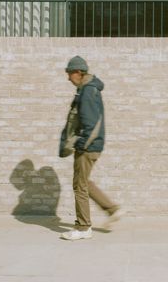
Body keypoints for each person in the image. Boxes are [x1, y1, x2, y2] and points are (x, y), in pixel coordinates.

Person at [61, 55, 121, 240]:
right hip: (93, 145)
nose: (68, 78)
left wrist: (82, 144)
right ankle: (111, 209)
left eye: (69, 73)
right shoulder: (89, 89)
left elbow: (90, 123)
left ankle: (83, 227)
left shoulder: (87, 91)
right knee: (84, 182)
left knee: (79, 185)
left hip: (88, 147)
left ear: (78, 72)